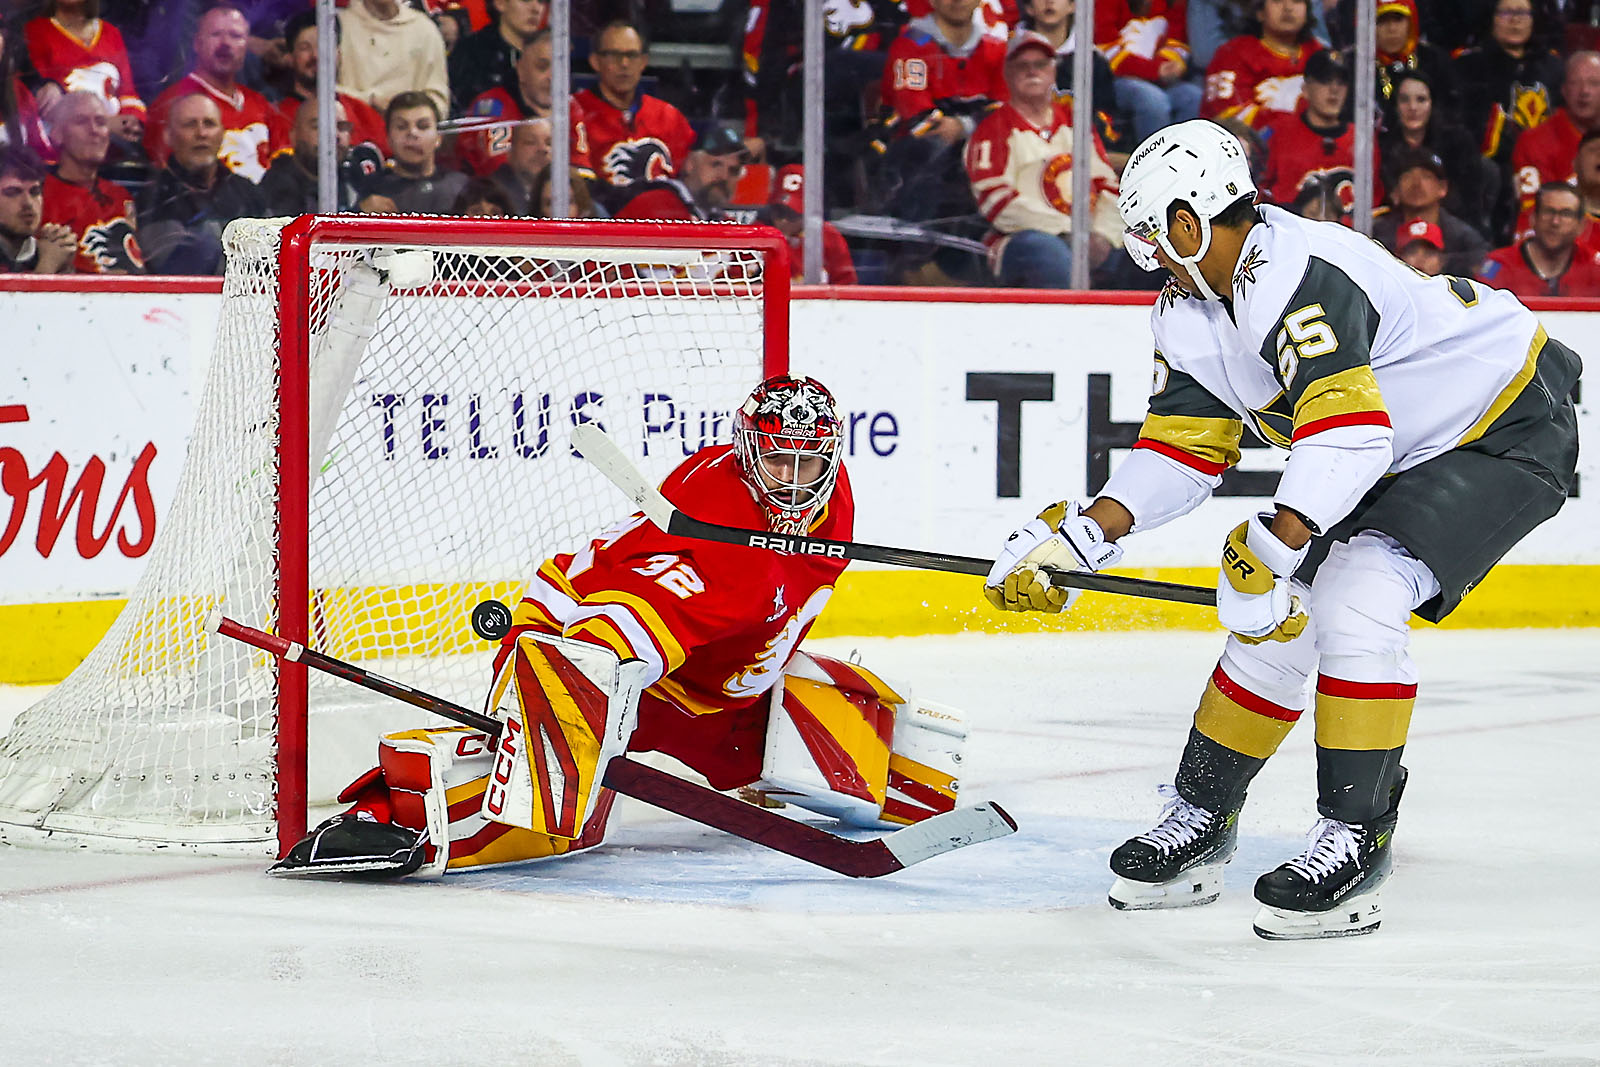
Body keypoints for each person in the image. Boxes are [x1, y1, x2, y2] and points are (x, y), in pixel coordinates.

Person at [984, 118, 1580, 940]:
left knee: (1357, 599)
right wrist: (1086, 533)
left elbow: (1349, 432)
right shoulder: (1187, 311)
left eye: (1155, 235)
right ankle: (1201, 816)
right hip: (1396, 444)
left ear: (1191, 223)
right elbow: (1184, 450)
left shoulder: (1299, 273)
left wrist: (1274, 543)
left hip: (1504, 422)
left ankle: (1357, 837)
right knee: (1275, 627)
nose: (1149, 255)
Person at [268, 376, 973, 881]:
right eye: (778, 459)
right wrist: (579, 720)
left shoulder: (835, 499)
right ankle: (398, 820)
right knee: (548, 796)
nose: (794, 479)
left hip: (712, 690)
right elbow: (611, 622)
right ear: (745, 452)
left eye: (807, 460)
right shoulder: (720, 549)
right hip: (595, 653)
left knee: (907, 776)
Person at [965, 30, 1120, 287]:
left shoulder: (1075, 122)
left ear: (1053, 71)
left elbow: (1108, 186)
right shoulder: (993, 129)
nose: (1031, 71)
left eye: (1040, 64)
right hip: (1022, 239)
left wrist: (1103, 235)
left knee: (1147, 254)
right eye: (1022, 66)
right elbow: (996, 201)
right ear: (1007, 74)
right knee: (1050, 254)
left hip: (1088, 235)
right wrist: (1068, 230)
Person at [142, 3, 286, 182]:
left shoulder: (260, 103)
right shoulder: (174, 104)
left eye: (235, 36)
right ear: (197, 43)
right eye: (216, 34)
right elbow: (169, 180)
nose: (225, 43)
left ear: (246, 46)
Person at [136, 92, 266, 274]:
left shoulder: (246, 191)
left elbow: (274, 256)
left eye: (209, 124)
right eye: (190, 125)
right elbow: (174, 265)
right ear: (168, 136)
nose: (201, 133)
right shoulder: (154, 195)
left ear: (222, 135)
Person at [573, 20, 694, 211]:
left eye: (631, 55)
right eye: (614, 55)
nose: (624, 64)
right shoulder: (576, 111)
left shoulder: (670, 117)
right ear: (595, 61)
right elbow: (578, 188)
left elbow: (689, 182)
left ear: (643, 62)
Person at [456, 28, 589, 181]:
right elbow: (504, 179)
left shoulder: (571, 107)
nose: (552, 77)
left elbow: (582, 174)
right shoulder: (492, 106)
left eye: (560, 68)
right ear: (521, 70)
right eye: (542, 67)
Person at [1258, 49, 1381, 208]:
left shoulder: (1363, 139)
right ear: (1306, 89)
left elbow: (1373, 201)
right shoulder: (1278, 133)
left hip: (1346, 231)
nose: (1334, 90)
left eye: (1341, 82)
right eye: (1325, 80)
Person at [40, 91, 144, 273]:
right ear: (57, 133)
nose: (94, 130)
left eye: (101, 122)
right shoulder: (38, 194)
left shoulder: (121, 196)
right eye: (81, 121)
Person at [1453, 0, 1566, 166]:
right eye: (1506, 12)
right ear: (1492, 18)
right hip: (1490, 165)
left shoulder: (1553, 66)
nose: (1515, 20)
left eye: (1522, 13)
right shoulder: (1467, 65)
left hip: (1546, 162)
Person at [1377, 70, 1493, 227]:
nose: (1413, 107)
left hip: (1451, 227)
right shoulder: (1381, 146)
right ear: (1395, 106)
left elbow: (1469, 202)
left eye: (1421, 100)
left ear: (1433, 104)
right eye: (1404, 100)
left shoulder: (1458, 143)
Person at [23, 0, 145, 142]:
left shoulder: (111, 33)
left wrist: (131, 122)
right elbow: (45, 102)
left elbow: (128, 94)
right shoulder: (35, 32)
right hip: (65, 147)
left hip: (114, 146)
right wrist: (105, 124)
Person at [272, 10, 388, 156]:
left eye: (324, 45)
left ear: (338, 54)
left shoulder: (363, 114)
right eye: (305, 47)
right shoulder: (275, 116)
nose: (316, 55)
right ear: (290, 57)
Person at [1511, 52, 1600, 234]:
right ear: (1564, 90)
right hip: (1562, 242)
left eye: (1594, 83)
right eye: (1575, 83)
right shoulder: (1534, 141)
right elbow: (1531, 213)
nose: (1584, 92)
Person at [1372, 147, 1490, 277]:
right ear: (1396, 191)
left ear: (1443, 188)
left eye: (1426, 177)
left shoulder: (1462, 236)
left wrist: (1444, 264)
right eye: (1407, 177)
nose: (1416, 184)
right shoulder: (1379, 234)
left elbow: (1484, 265)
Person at [1201, 0, 1322, 128]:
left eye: (1297, 1)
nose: (1288, 7)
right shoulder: (1233, 53)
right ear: (1260, 12)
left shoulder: (1318, 52)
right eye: (1277, 1)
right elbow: (1229, 119)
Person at [1094, 0, 1200, 145]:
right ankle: (1153, 164)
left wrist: (1170, 66)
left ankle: (1185, 162)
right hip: (1114, 80)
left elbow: (1177, 42)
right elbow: (1106, 52)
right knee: (1153, 100)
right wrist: (1156, 70)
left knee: (1193, 97)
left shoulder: (1174, 3)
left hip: (1160, 80)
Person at [1478, 181, 1600, 297]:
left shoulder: (1595, 267)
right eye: (1548, 212)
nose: (1555, 222)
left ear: (1581, 225)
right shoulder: (1499, 265)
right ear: (1533, 219)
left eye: (1566, 214)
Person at [360, 91, 468, 214]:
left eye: (423, 126)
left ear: (439, 137)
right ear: (388, 138)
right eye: (401, 127)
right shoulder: (370, 190)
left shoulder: (461, 188)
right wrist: (361, 214)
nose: (412, 133)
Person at [337, 0, 450, 118]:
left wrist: (407, 112)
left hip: (410, 130)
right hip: (355, 127)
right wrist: (370, 100)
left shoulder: (425, 30)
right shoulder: (338, 26)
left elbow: (438, 101)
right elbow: (323, 93)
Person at [615, 124, 746, 221]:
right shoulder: (656, 205)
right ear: (690, 164)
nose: (724, 176)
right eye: (716, 164)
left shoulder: (724, 221)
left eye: (733, 170)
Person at [259, 98, 358, 215]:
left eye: (342, 126)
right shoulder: (275, 190)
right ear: (294, 136)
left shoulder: (355, 178)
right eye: (319, 127)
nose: (334, 135)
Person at [447, 0, 545, 115]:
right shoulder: (470, 53)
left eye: (542, 1)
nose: (536, 9)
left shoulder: (554, 51)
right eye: (525, 0)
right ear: (500, 3)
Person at [766, 164, 858, 284]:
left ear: (808, 211)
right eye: (778, 212)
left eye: (791, 214)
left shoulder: (829, 237)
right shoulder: (757, 235)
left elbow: (847, 285)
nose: (783, 221)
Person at [1368, 0, 1455, 114]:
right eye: (1382, 21)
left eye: (1398, 19)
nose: (1392, 29)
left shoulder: (1435, 60)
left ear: (1411, 22)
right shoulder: (1356, 63)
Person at [0, 147, 77, 273]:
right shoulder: (48, 257)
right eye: (13, 192)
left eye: (34, 192)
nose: (28, 203)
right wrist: (47, 266)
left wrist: (64, 268)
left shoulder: (48, 250)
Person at [490, 118, 550, 213]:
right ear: (511, 152)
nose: (543, 149)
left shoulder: (568, 190)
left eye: (549, 143)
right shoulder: (493, 192)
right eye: (530, 142)